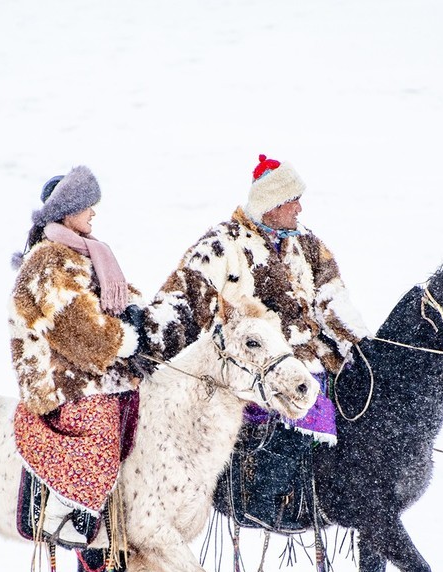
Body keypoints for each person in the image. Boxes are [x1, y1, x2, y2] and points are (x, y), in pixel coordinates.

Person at [145, 154, 370, 526]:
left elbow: (333, 300)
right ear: (272, 204)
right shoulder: (222, 244)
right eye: (293, 200)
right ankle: (268, 498)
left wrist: (359, 346)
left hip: (312, 365)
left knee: (361, 413)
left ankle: (333, 498)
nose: (300, 208)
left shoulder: (309, 246)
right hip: (253, 371)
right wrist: (148, 343)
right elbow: (184, 297)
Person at [9, 165, 149, 547]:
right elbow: (77, 329)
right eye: (88, 206)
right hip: (59, 377)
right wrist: (126, 340)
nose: (93, 213)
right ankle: (66, 512)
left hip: (91, 370)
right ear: (68, 212)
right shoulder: (49, 261)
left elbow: (121, 297)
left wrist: (142, 318)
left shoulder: (90, 254)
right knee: (98, 424)